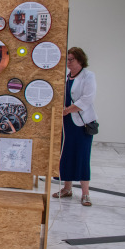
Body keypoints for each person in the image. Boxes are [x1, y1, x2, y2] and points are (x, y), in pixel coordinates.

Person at [55, 47, 97, 207]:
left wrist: (67, 111)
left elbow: (87, 99)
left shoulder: (88, 76)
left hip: (81, 123)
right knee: (67, 154)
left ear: (80, 60)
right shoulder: (67, 77)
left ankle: (85, 193)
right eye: (67, 59)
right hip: (66, 124)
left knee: (82, 156)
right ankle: (67, 188)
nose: (68, 62)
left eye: (71, 59)